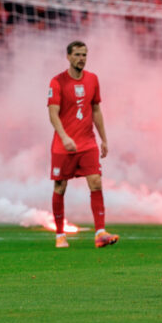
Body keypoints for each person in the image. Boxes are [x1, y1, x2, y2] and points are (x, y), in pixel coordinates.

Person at [47, 41, 119, 249]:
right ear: (68, 57)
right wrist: (64, 137)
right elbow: (53, 114)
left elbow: (96, 110)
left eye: (84, 55)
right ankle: (60, 234)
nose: (81, 58)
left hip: (87, 142)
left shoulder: (92, 79)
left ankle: (100, 233)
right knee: (60, 186)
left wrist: (103, 138)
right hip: (63, 144)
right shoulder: (57, 82)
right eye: (77, 55)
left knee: (96, 182)